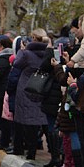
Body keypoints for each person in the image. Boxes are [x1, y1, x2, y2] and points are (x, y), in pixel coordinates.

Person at [12, 30, 51, 159]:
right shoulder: (48, 53)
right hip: (42, 86)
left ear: (33, 38)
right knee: (42, 119)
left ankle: (30, 151)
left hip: (26, 87)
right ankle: (51, 150)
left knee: (26, 120)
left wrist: (21, 51)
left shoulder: (26, 54)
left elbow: (16, 64)